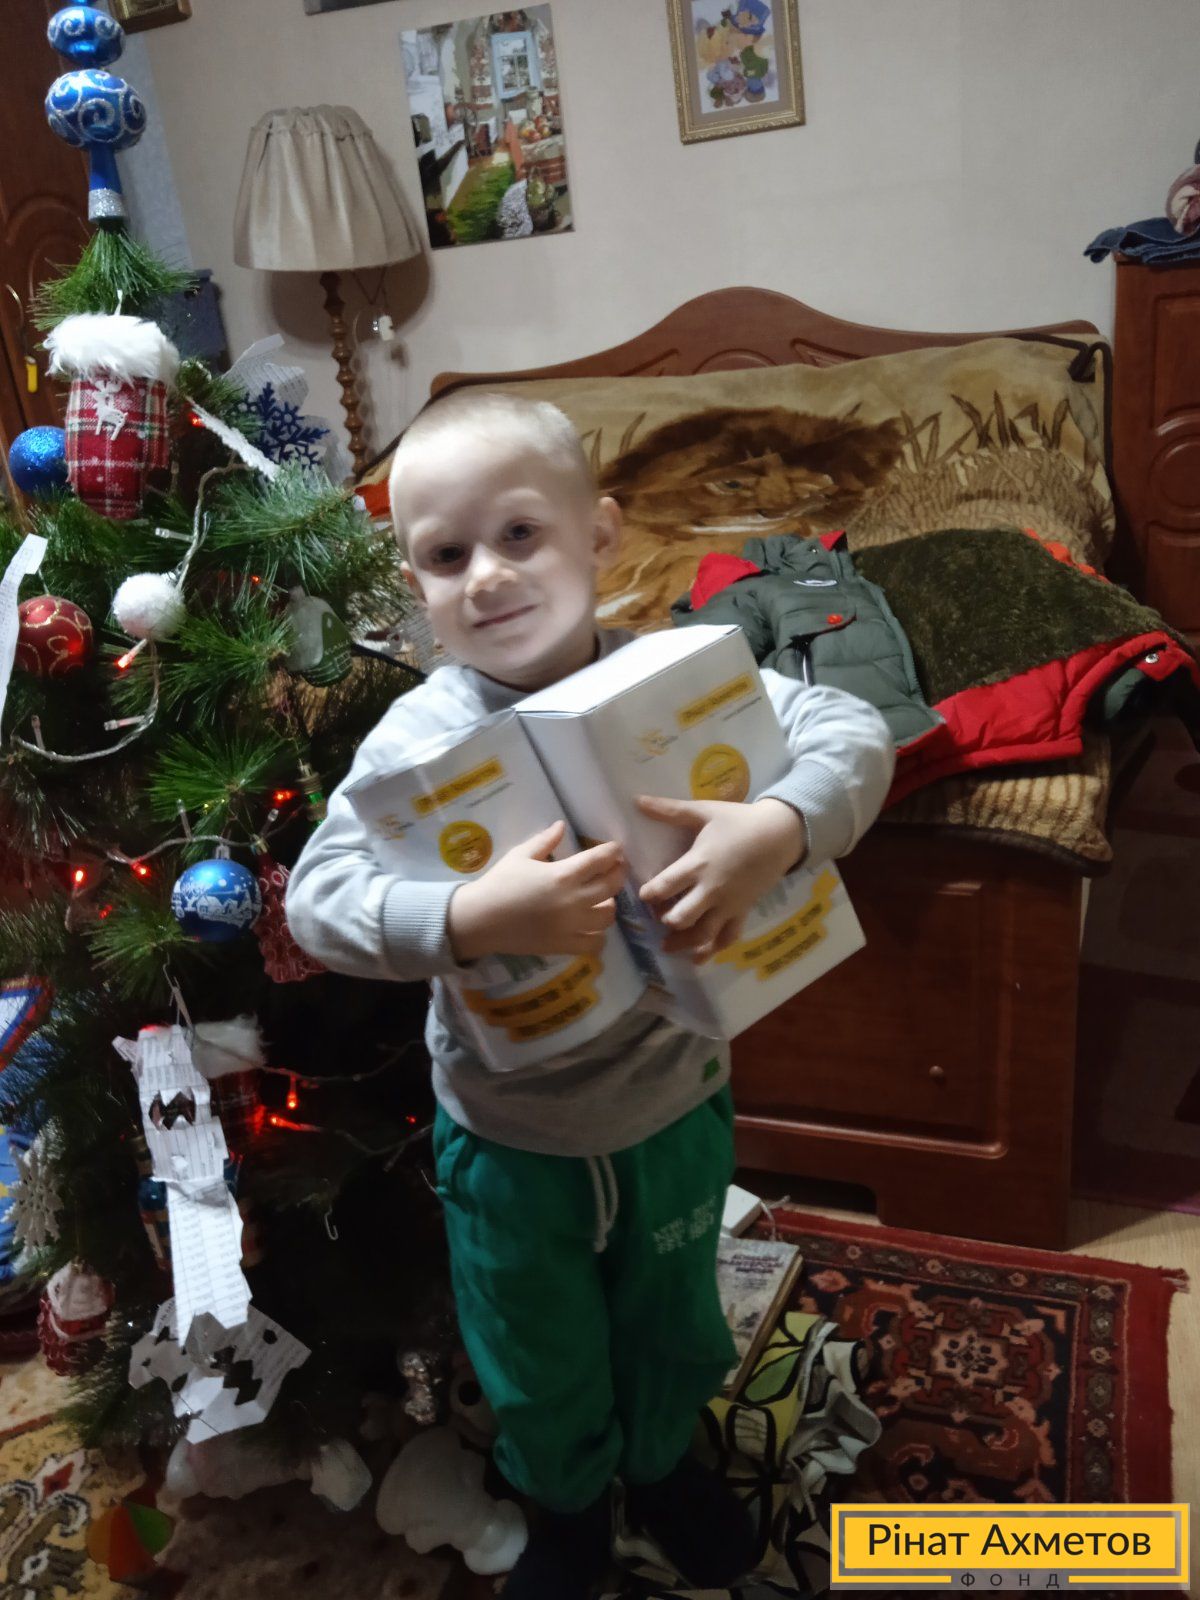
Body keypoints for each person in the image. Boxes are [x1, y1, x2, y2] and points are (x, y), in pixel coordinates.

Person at [286, 390, 895, 1598]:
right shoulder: (412, 740)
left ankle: (663, 1463)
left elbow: (854, 728)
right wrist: (465, 918)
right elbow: (315, 902)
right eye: (446, 556)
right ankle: (562, 1501)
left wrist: (778, 825)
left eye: (521, 534)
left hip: (671, 1102)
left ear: (600, 533)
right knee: (533, 1342)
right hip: (509, 1137)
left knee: (672, 1315)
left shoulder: (677, 678)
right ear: (413, 585)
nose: (487, 576)